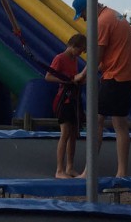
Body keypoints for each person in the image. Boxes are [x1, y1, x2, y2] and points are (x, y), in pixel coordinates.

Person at [71, 0, 131, 178]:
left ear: (87, 8)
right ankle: (121, 173)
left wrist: (82, 74)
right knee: (120, 123)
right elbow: (110, 53)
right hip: (127, 74)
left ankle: (90, 172)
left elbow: (97, 55)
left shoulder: (101, 22)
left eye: (82, 15)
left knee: (96, 121)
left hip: (117, 77)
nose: (84, 19)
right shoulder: (114, 14)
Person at [45, 32, 87, 179]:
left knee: (74, 134)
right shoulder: (60, 58)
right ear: (73, 46)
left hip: (73, 99)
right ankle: (59, 170)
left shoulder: (74, 59)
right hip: (63, 99)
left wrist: (79, 80)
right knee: (65, 133)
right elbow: (48, 76)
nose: (80, 53)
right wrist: (67, 80)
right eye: (80, 50)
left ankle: (69, 167)